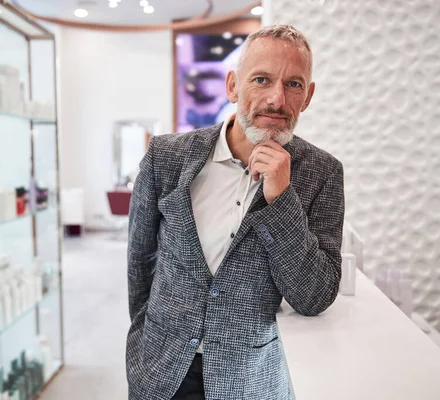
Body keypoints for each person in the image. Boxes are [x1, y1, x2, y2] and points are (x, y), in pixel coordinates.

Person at [126, 23, 345, 400]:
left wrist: (282, 199)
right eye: (261, 79)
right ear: (232, 86)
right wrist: (140, 350)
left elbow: (315, 296)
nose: (277, 99)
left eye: (293, 84)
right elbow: (140, 263)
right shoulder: (167, 157)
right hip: (160, 372)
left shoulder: (322, 173)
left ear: (307, 97)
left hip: (249, 381)